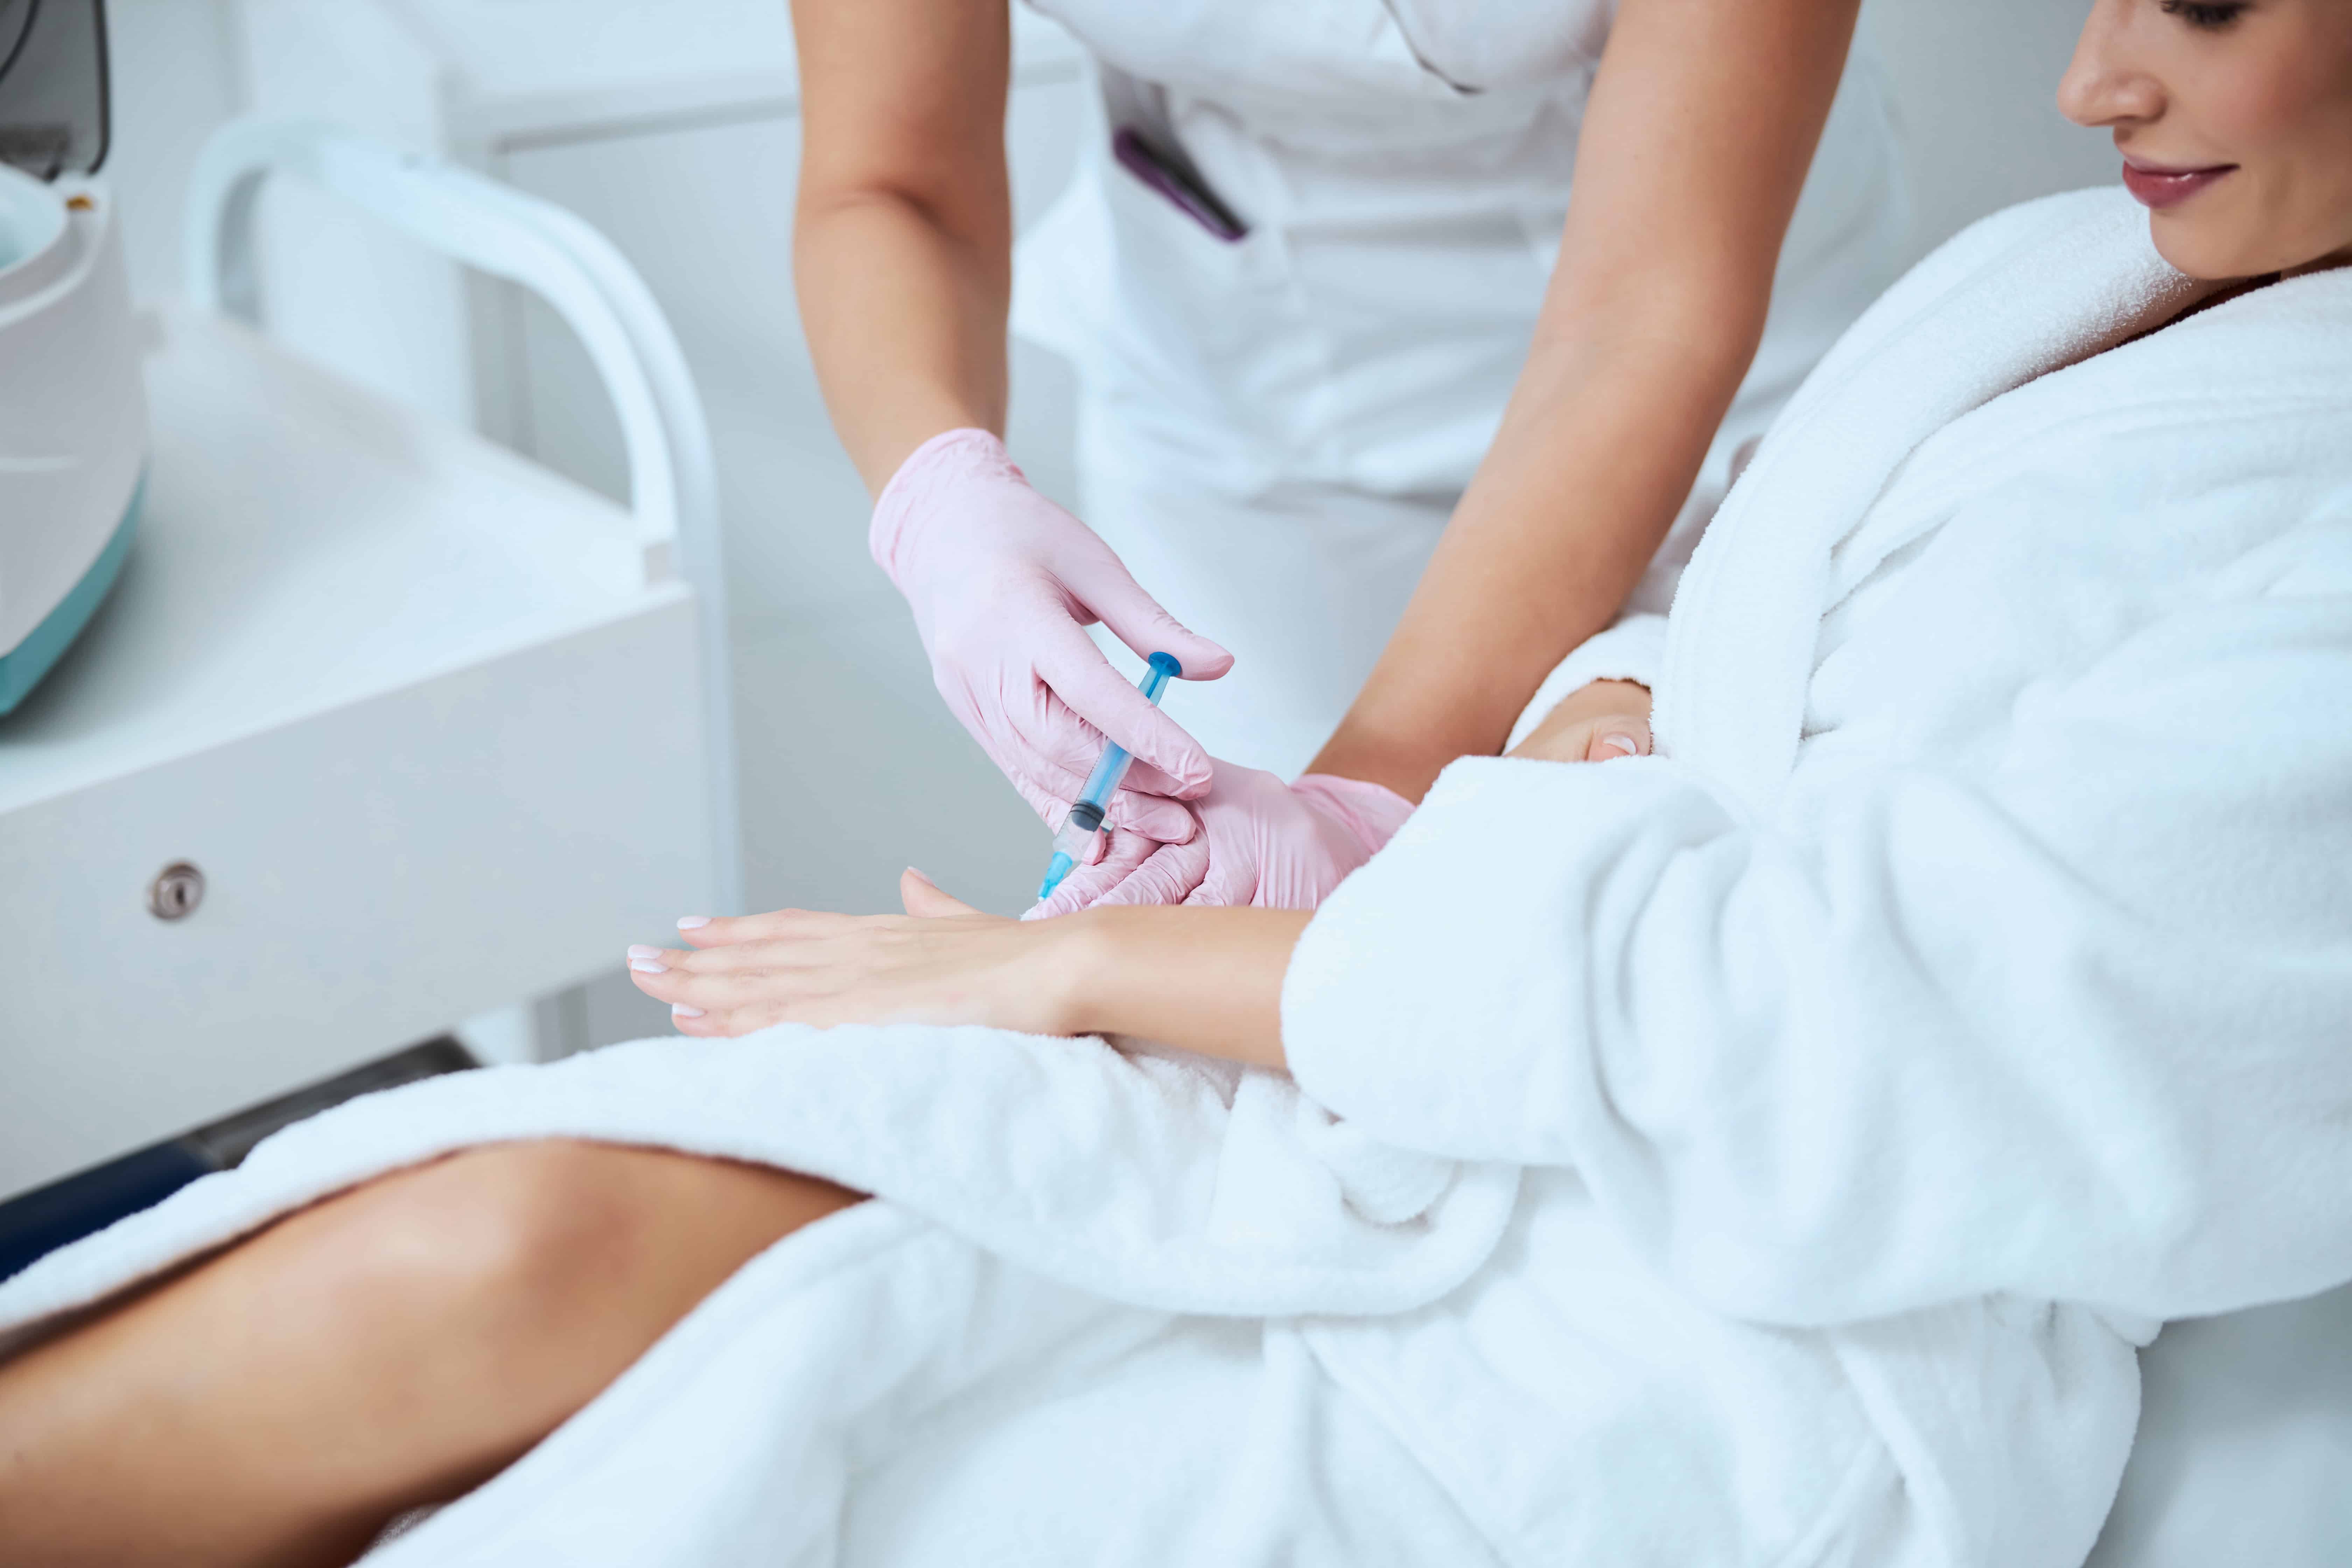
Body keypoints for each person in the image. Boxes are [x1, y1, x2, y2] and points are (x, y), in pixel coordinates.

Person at [5, 2, 2352, 1564]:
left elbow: (1653, 342)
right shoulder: (2052, 303)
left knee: (664, 1366)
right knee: (503, 1248)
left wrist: (1220, 925)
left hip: (1628, 502)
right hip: (1344, 614)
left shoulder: (2159, 410)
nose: (2093, 68)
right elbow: (889, 182)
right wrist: (940, 496)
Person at [797, 0, 1906, 911]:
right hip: (1233, 410)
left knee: (1643, 930)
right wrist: (937, 495)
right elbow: (889, 183)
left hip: (1702, 401)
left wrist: (1355, 811)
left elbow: (1645, 318)